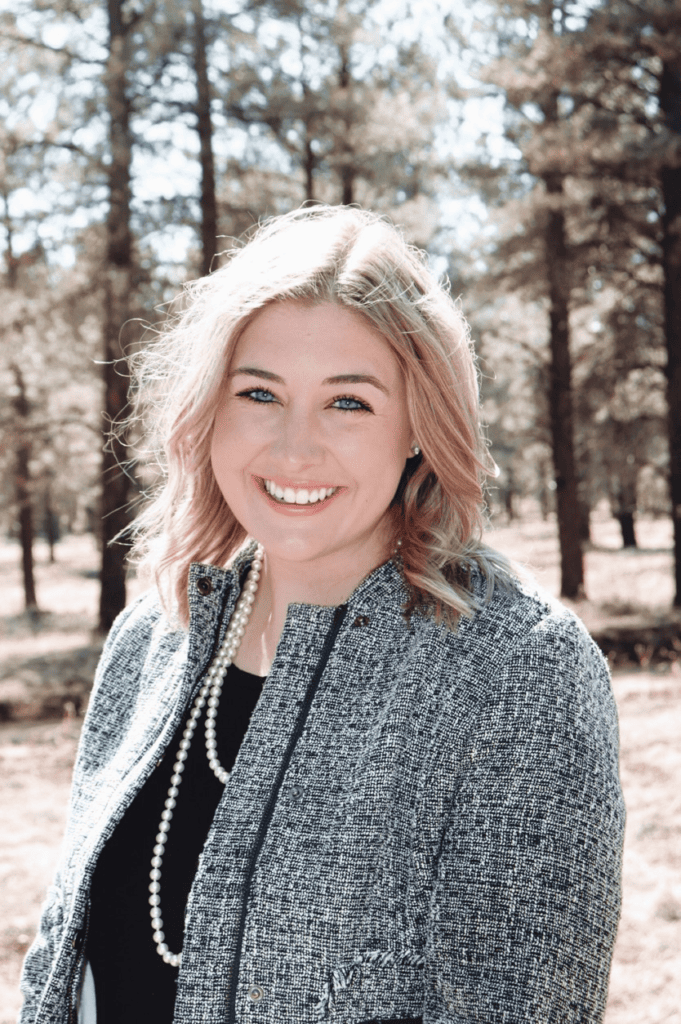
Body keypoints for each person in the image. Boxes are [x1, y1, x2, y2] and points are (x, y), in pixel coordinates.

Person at [19, 205, 625, 1024]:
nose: (294, 449)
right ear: (209, 412)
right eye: (259, 393)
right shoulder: (151, 641)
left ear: (418, 424)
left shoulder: (518, 673)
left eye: (349, 404)